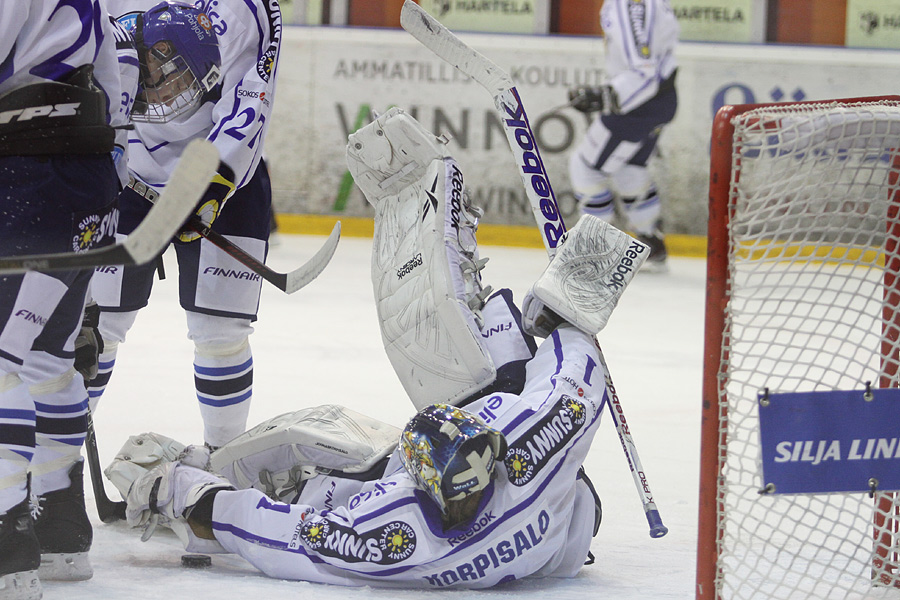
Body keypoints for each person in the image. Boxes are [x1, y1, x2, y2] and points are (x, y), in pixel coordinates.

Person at [107, 109, 649, 588]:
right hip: (569, 517)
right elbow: (573, 378)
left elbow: (285, 538)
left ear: (422, 487)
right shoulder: (537, 447)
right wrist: (566, 307)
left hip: (524, 535)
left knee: (329, 486)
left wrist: (191, 495)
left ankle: (240, 468)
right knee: (511, 361)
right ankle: (490, 365)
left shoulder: (401, 537)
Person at [88, 0, 282, 450]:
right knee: (98, 327)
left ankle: (223, 462)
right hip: (129, 172)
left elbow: (250, 96)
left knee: (221, 335)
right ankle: (55, 476)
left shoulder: (244, 6)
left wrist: (209, 184)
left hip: (224, 176)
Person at [0, 1, 132, 596]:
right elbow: (115, 79)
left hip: (25, 170)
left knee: (1, 363)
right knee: (48, 361)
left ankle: (6, 539)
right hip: (84, 176)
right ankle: (59, 527)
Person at [567, 0, 679, 271]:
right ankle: (651, 240)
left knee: (586, 169)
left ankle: (594, 249)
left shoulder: (631, 4)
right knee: (629, 169)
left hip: (637, 104)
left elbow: (643, 71)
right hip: (657, 100)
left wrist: (608, 95)